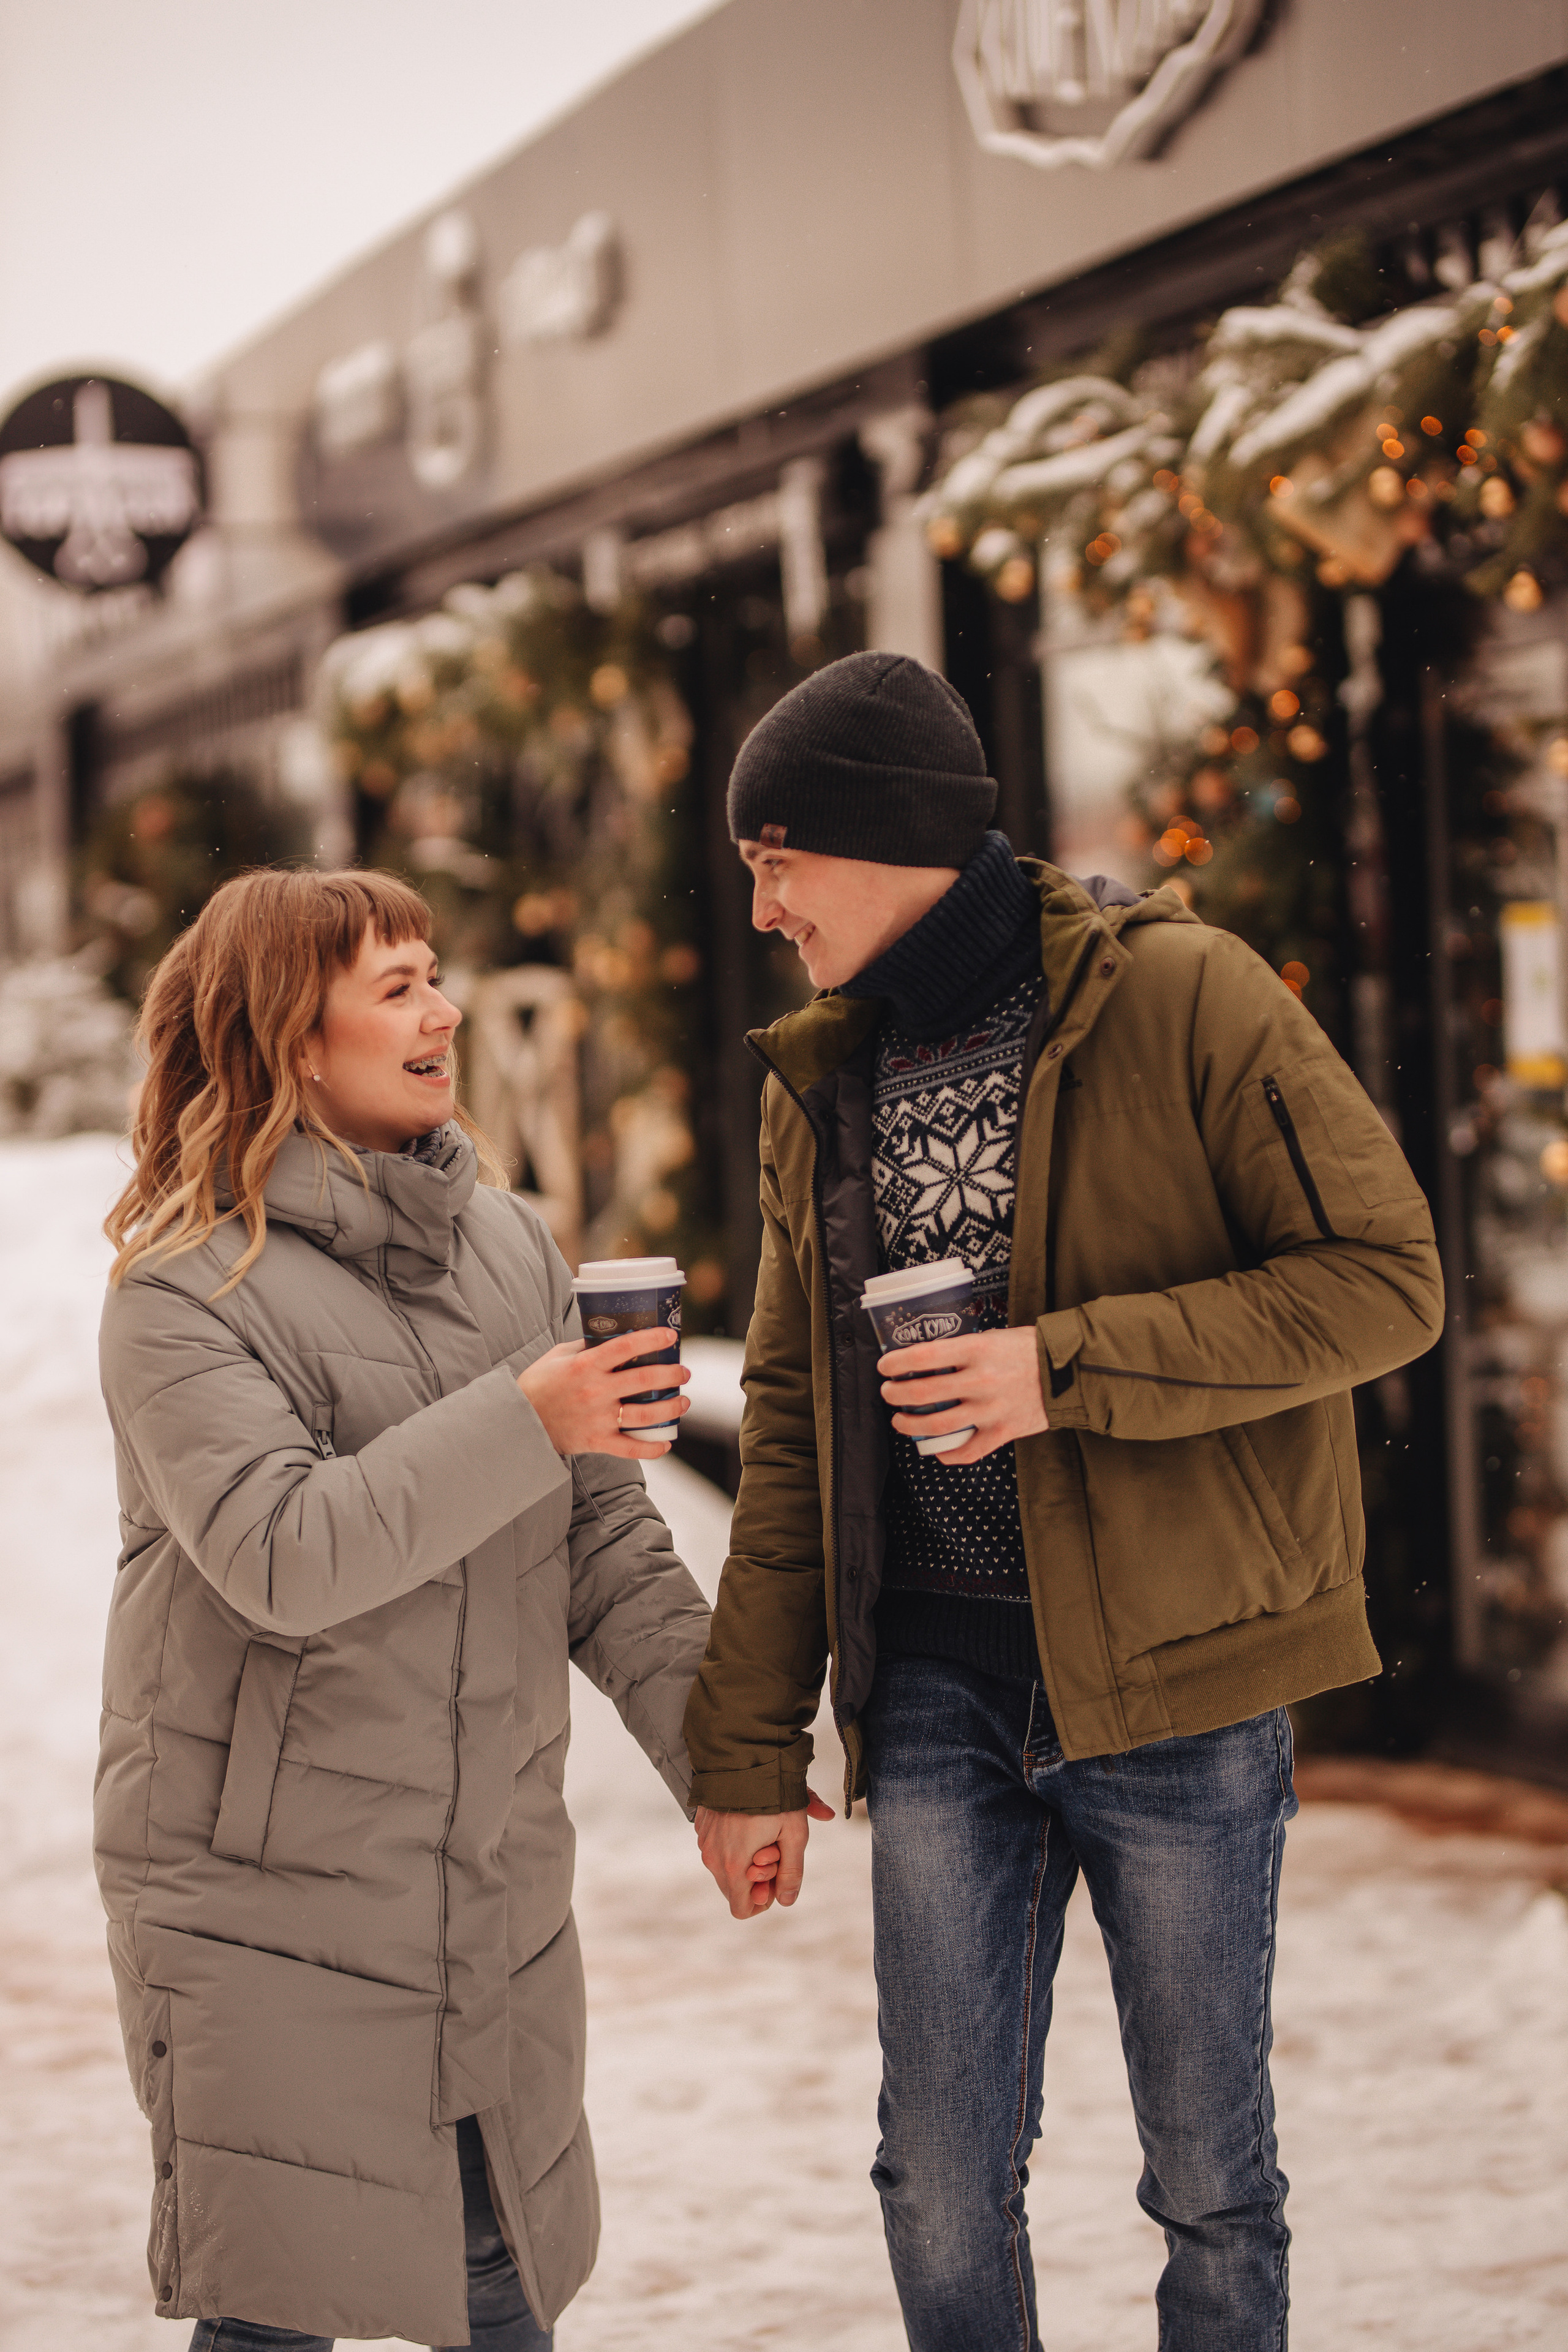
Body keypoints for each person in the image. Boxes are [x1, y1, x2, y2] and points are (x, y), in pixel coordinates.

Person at [684, 652, 1445, 2351]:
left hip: (1178, 1680)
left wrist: (1062, 1369)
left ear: (873, 840)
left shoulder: (1188, 998)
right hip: (941, 1689)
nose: (763, 909)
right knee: (939, 2182)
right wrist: (744, 1752)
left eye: (773, 860)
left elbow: (1385, 1282)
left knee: (1209, 2187)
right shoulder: (824, 1075)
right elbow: (800, 1420)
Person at [96, 867, 711, 2352]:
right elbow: (282, 1552)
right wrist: (532, 1413)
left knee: (499, 2292)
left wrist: (728, 1757)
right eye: (396, 985)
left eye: (435, 972)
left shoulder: (509, 1246)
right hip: (262, 1913)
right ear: (294, 1039)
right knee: (273, 2316)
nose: (440, 1009)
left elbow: (603, 1542)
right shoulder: (183, 1290)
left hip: (483, 1893)